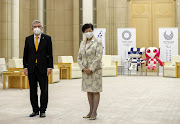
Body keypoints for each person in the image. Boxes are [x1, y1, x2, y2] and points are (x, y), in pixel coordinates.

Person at [23, 20, 53, 118]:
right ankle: (35, 110)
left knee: (44, 90)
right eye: (35, 26)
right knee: (32, 90)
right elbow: (25, 55)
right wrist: (25, 67)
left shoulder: (47, 38)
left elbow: (50, 54)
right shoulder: (28, 39)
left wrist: (49, 67)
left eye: (39, 26)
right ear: (32, 29)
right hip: (31, 69)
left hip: (43, 69)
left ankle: (43, 110)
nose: (37, 28)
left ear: (42, 28)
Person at [77, 23, 103, 120]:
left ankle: (94, 112)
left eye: (90, 30)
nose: (88, 32)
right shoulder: (82, 43)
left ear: (93, 30)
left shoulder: (98, 41)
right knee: (89, 91)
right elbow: (79, 57)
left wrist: (91, 69)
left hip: (95, 71)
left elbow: (98, 56)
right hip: (85, 70)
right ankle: (90, 110)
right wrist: (83, 68)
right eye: (86, 31)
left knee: (95, 91)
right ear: (83, 33)